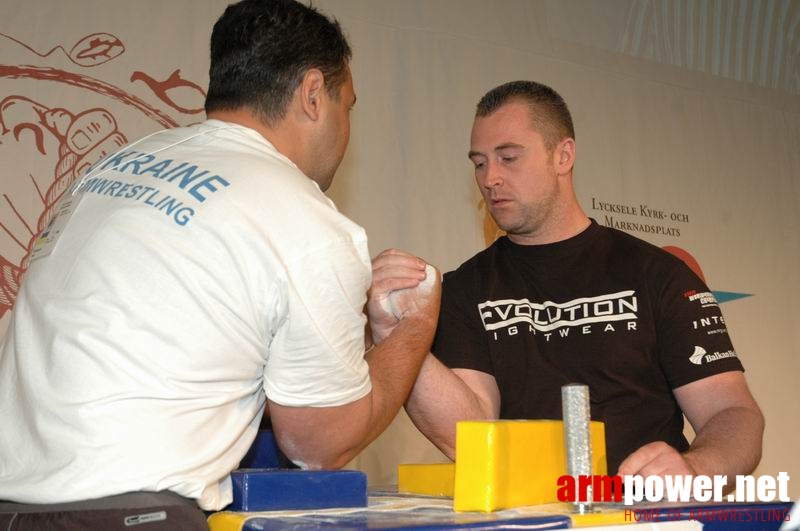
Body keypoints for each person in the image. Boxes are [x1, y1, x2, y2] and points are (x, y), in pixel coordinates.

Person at [0, 0, 439, 527]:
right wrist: (413, 331)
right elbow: (319, 443)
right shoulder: (304, 219)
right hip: (125, 512)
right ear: (315, 94)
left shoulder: (113, 167)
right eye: (349, 105)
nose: (347, 129)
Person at [405, 80, 763, 484]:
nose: (490, 178)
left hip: (644, 519)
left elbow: (733, 414)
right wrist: (399, 334)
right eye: (480, 162)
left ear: (563, 155)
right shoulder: (465, 289)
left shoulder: (656, 274)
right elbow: (469, 434)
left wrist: (697, 469)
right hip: (530, 519)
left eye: (508, 157)